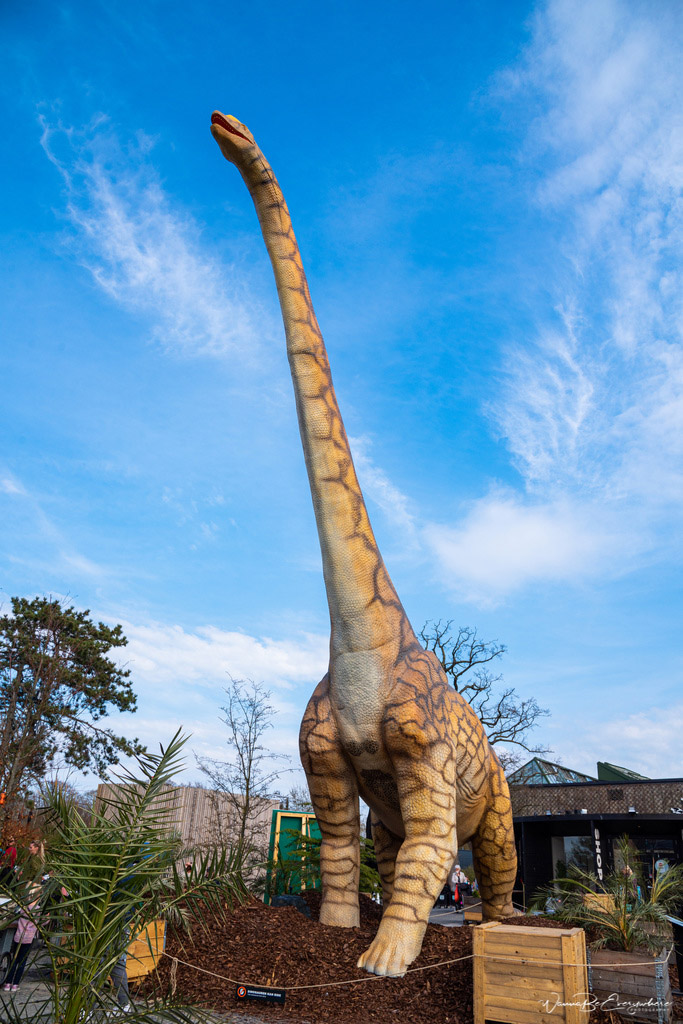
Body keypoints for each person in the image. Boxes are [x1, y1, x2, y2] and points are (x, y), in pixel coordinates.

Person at [2, 884, 40, 992]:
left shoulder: (22, 907)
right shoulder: (37, 909)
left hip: (18, 936)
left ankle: (7, 983)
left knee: (14, 959)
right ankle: (15, 984)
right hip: (29, 938)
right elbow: (43, 922)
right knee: (22, 962)